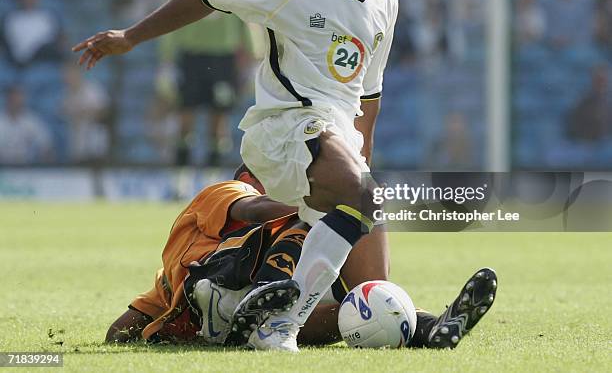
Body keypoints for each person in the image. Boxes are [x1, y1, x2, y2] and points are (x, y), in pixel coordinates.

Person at [74, 0, 496, 352]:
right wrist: (131, 37)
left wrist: (361, 182)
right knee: (357, 201)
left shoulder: (386, 2)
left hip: (336, 144)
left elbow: (368, 98)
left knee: (372, 294)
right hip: (284, 128)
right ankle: (282, 325)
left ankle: (417, 327)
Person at [106, 166, 497, 349]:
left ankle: (431, 327)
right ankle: (253, 304)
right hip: (223, 278)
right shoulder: (221, 190)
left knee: (359, 301)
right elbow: (256, 209)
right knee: (301, 224)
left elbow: (124, 326)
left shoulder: (164, 284)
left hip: (283, 296)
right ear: (251, 175)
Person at [158, 0, 254, 166]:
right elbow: (167, 20)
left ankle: (212, 181)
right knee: (185, 119)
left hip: (223, 59)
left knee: (218, 121)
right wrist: (166, 62)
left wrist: (253, 58)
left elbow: (247, 19)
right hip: (191, 58)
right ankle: (180, 182)